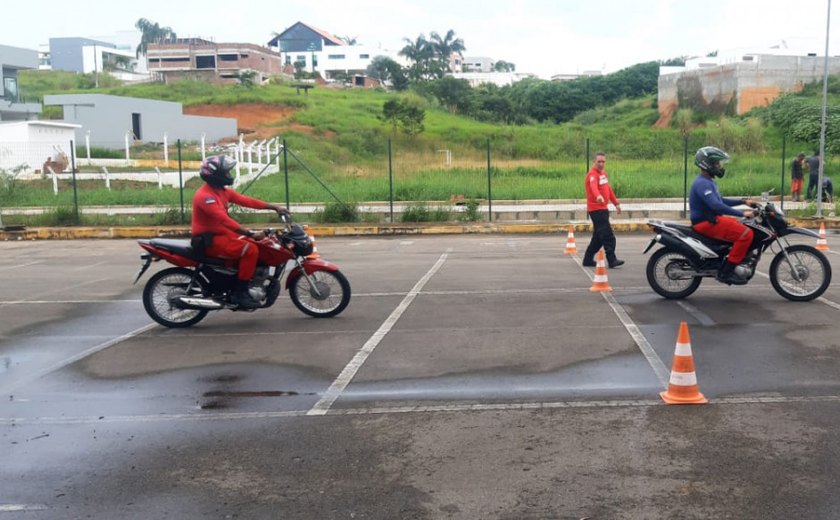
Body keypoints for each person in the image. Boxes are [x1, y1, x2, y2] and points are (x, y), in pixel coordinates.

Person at [191, 155, 288, 309]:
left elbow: (246, 201)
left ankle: (245, 280)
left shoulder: (221, 191)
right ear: (216, 175)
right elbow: (224, 220)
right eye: (226, 173)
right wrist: (249, 233)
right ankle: (240, 292)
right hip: (210, 241)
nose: (229, 175)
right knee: (250, 250)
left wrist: (274, 207)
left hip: (223, 235)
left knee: (260, 244)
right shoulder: (205, 196)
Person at [689, 146, 756, 285]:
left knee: (741, 225)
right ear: (707, 164)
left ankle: (729, 259)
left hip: (712, 219)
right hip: (706, 223)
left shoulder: (708, 182)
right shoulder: (702, 183)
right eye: (717, 163)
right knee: (746, 234)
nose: (719, 166)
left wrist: (743, 202)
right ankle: (727, 272)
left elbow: (721, 201)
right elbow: (716, 206)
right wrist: (742, 213)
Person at [582, 152, 624, 268]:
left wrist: (616, 203)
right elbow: (593, 187)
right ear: (594, 162)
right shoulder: (592, 175)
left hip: (603, 209)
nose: (601, 164)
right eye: (599, 162)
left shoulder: (603, 174)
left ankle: (587, 260)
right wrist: (598, 196)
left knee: (598, 238)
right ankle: (612, 260)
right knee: (608, 236)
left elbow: (608, 189)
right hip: (596, 210)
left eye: (603, 162)